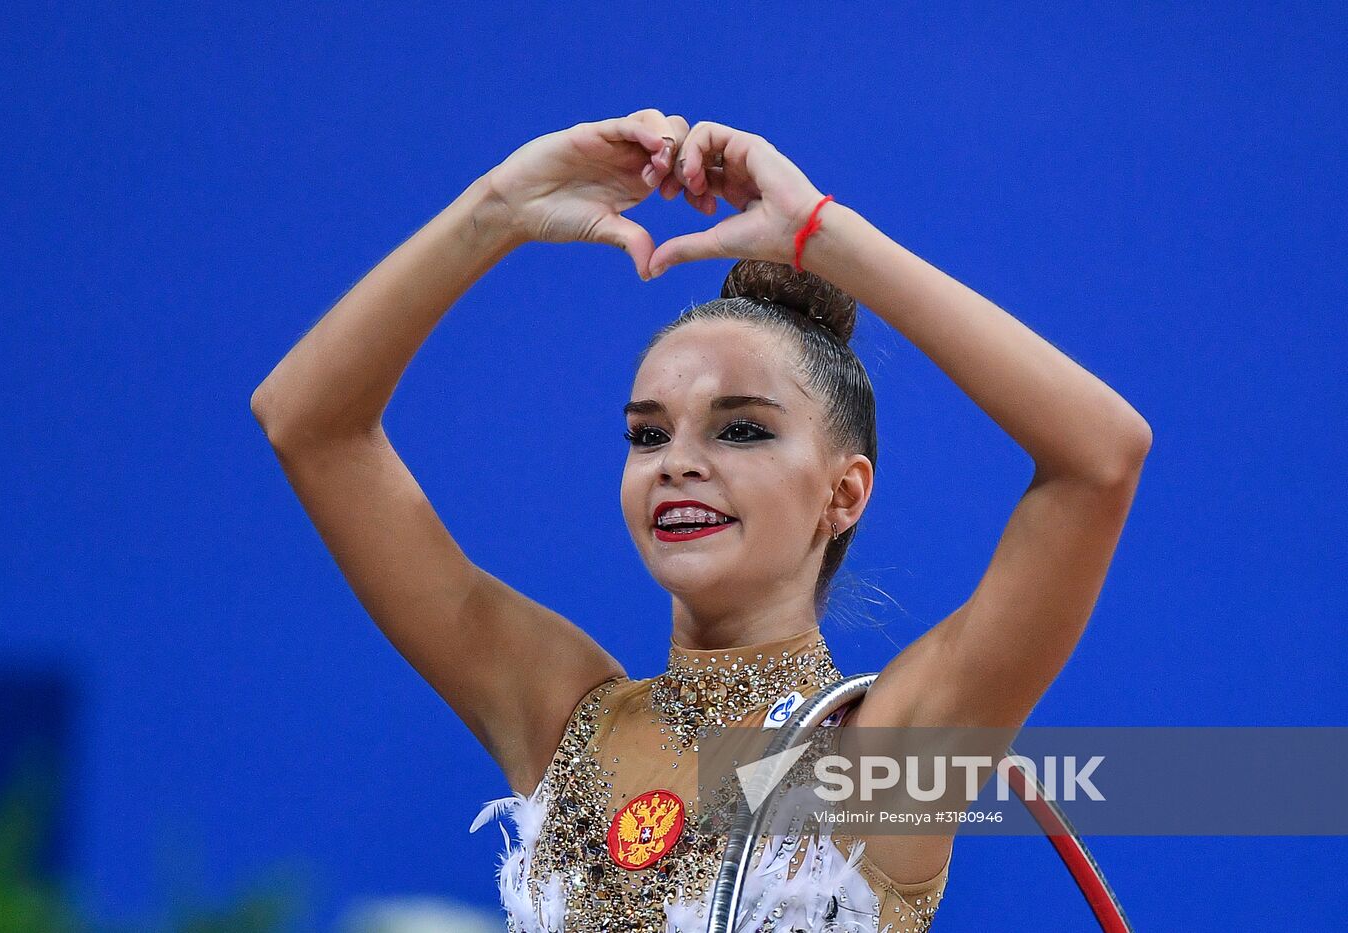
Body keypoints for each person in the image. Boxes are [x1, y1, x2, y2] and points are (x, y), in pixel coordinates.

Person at [251, 109, 1152, 931]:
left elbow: (1100, 458)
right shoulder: (564, 719)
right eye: (648, 435)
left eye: (743, 429)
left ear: (844, 493)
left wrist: (820, 235)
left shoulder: (884, 755)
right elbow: (308, 425)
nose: (678, 461)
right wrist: (497, 209)